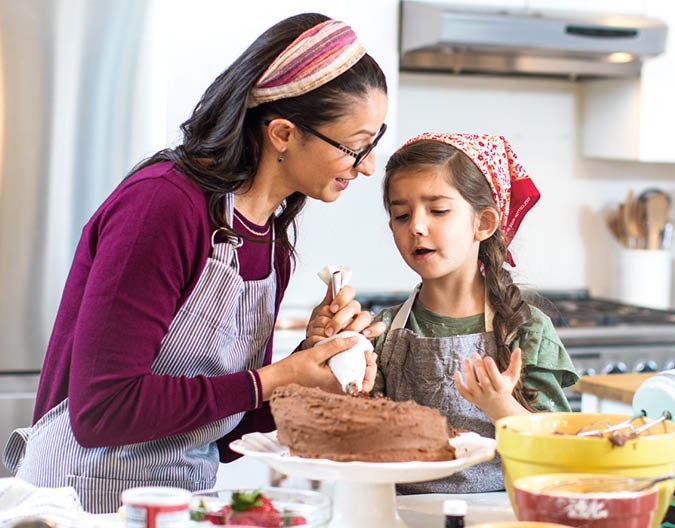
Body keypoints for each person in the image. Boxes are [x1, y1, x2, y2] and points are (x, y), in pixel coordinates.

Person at [2, 13, 388, 513]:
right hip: (83, 504)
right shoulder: (162, 205)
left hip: (185, 504)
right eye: (356, 146)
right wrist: (279, 377)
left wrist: (310, 361)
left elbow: (227, 435)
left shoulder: (270, 243)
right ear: (284, 134)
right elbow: (103, 411)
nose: (369, 165)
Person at [371, 132, 579, 493]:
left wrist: (500, 406)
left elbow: (560, 449)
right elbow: (363, 437)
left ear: (483, 223)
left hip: (502, 514)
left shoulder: (526, 330)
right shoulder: (383, 330)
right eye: (401, 214)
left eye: (437, 210)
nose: (416, 226)